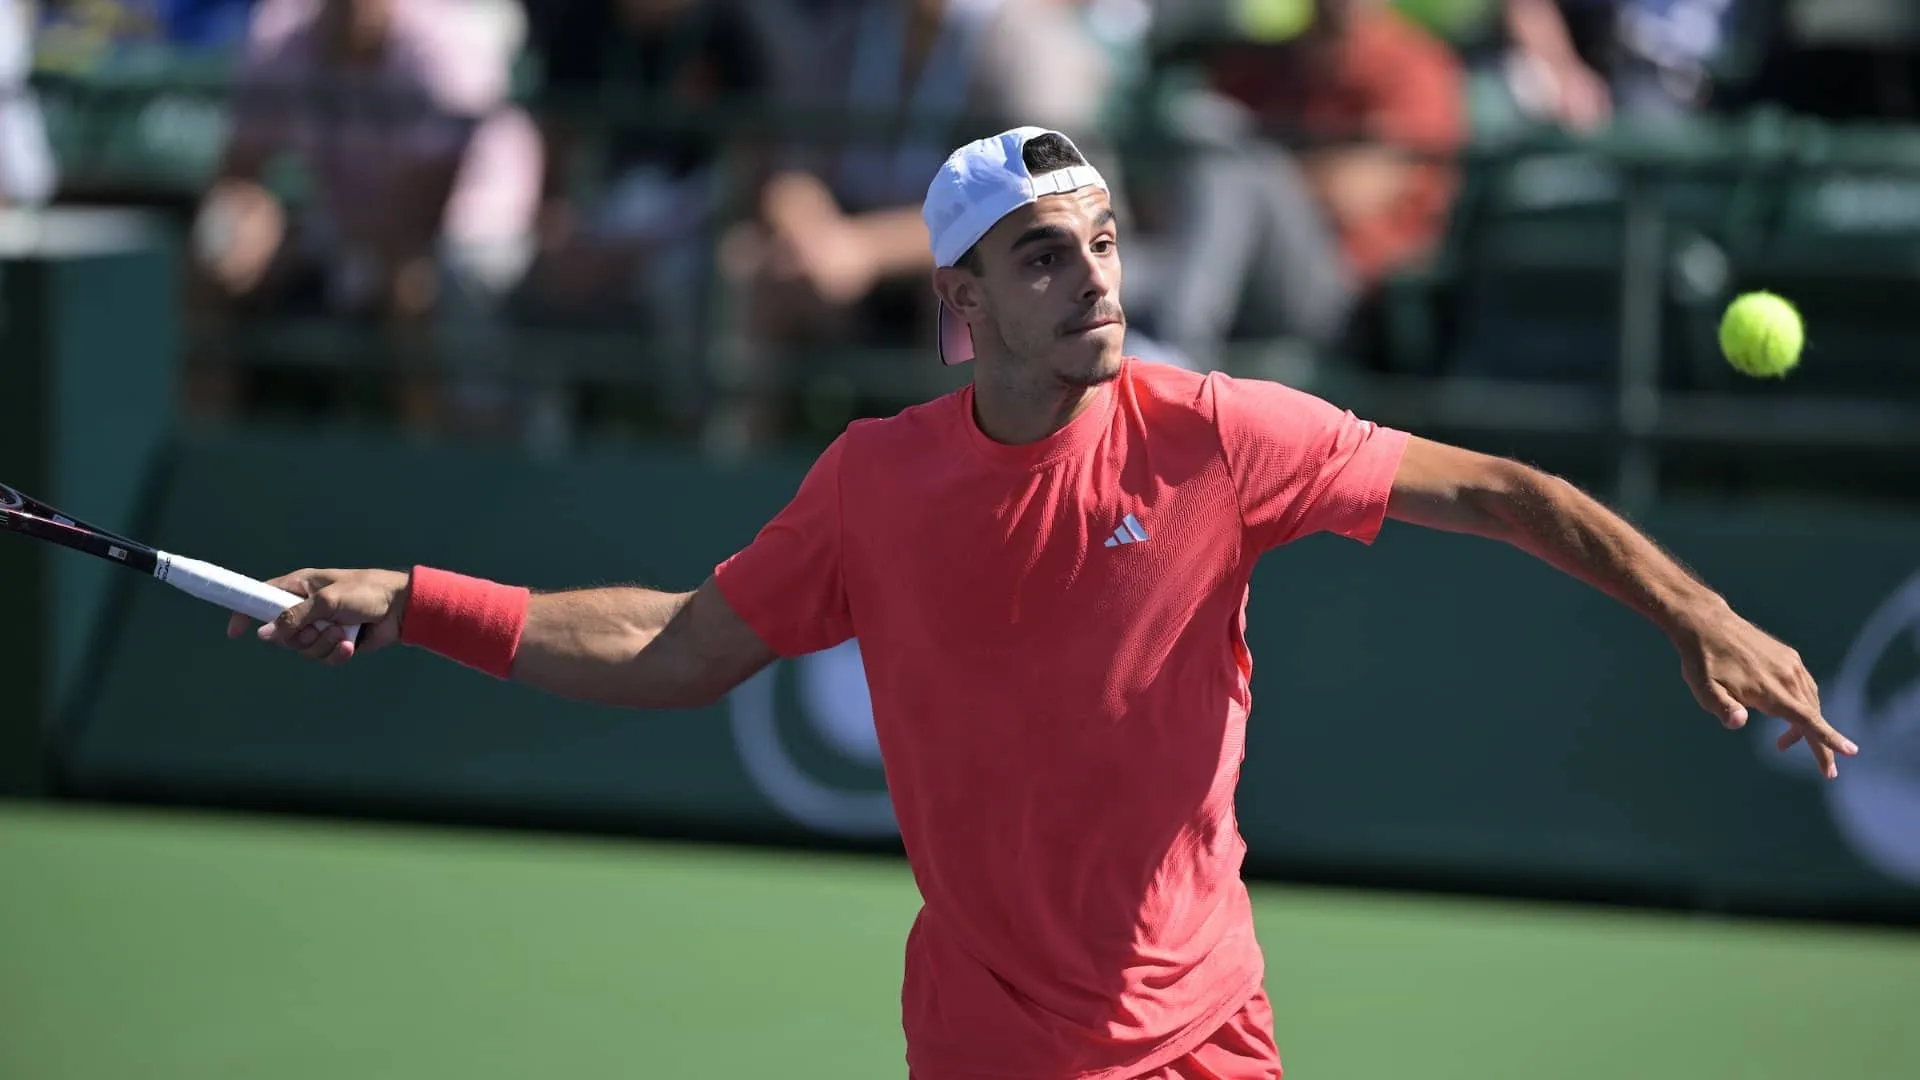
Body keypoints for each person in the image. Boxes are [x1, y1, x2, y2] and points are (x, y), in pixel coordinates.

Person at [231, 126, 1857, 1079]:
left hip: (1203, 1026)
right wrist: (415, 597)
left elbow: (1510, 493)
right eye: (1041, 258)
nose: (1094, 280)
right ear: (963, 302)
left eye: (1101, 244)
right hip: (987, 1036)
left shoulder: (1219, 435)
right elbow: (679, 648)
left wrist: (1696, 612)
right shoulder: (876, 484)